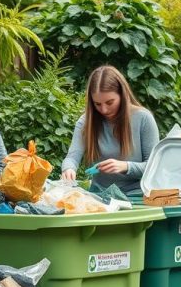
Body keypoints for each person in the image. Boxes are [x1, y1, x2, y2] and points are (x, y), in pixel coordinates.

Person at [61, 65, 159, 194]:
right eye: (97, 104)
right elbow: (72, 157)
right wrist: (68, 169)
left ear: (122, 95)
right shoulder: (85, 122)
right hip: (100, 197)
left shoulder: (143, 118)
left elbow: (155, 166)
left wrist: (125, 166)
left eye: (109, 102)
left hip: (138, 196)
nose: (104, 110)